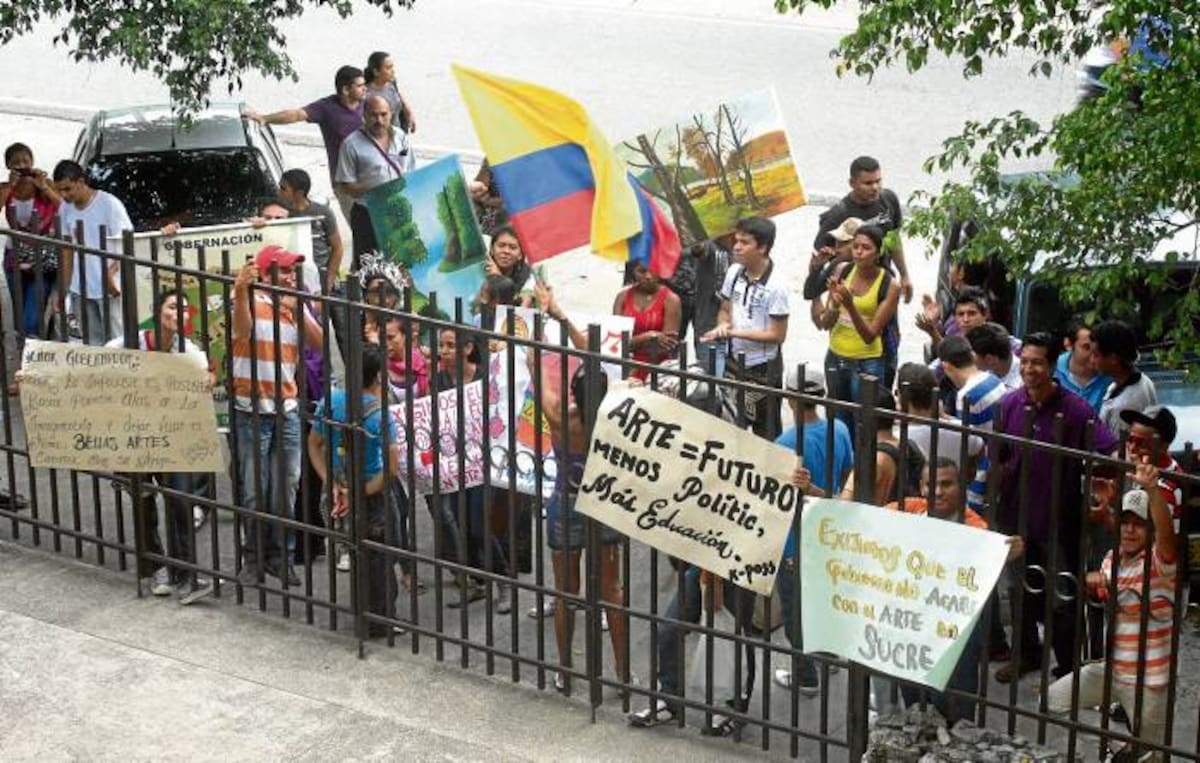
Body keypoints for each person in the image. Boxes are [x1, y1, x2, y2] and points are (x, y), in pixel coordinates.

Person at [989, 332, 1118, 682]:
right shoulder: (1010, 405)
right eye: (1026, 362)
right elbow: (998, 458)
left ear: (1051, 366)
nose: (1030, 369)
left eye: (1038, 363)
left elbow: (1108, 450)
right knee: (1018, 591)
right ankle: (1027, 655)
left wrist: (1103, 490)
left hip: (1060, 520)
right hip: (1016, 514)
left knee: (1062, 595)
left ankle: (1067, 669)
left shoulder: (1075, 410)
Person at [1048, 459, 1177, 762]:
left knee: (1155, 756)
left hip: (1149, 680)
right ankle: (1116, 749)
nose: (1130, 529)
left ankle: (1129, 752)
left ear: (1150, 530)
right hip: (1112, 668)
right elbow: (1107, 587)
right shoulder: (1111, 557)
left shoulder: (1160, 563)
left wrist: (1153, 492)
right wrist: (1094, 583)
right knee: (1051, 702)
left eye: (1139, 524)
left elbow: (1168, 539)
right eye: (1125, 521)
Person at [885, 458, 1025, 723]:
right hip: (909, 631)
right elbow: (855, 519)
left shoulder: (976, 530)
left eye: (946, 484)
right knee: (916, 710)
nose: (937, 491)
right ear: (921, 487)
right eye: (931, 484)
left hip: (953, 640)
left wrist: (1004, 555)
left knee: (954, 715)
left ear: (962, 487)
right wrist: (812, 490)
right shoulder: (909, 510)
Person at [538, 289, 629, 695]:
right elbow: (594, 357)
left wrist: (542, 334)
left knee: (565, 592)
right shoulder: (618, 417)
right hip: (606, 505)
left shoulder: (559, 416)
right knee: (612, 591)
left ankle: (566, 669)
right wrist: (561, 315)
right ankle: (624, 676)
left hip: (566, 505)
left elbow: (534, 363)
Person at [107, 290, 214, 605]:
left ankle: (186, 574)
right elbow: (90, 373)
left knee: (180, 502)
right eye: (171, 307)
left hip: (172, 439)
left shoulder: (189, 351)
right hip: (135, 439)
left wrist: (206, 379)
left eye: (183, 308)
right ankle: (154, 568)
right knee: (144, 505)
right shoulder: (127, 343)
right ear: (157, 312)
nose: (178, 313)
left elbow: (203, 383)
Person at [230, 245, 324, 586]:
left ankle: (281, 557)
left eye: (291, 271)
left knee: (286, 489)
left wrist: (298, 308)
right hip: (251, 412)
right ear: (265, 273)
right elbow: (241, 330)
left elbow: (320, 344)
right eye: (283, 271)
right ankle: (254, 558)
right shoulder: (249, 300)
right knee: (256, 489)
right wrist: (242, 289)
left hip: (286, 410)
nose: (289, 277)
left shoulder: (294, 305)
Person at [308, 347, 401, 638]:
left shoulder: (331, 401)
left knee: (356, 549)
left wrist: (331, 482)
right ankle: (380, 619)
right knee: (381, 553)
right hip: (370, 489)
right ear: (378, 376)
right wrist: (359, 492)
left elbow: (314, 444)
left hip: (340, 484)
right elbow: (393, 470)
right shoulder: (380, 414)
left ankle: (362, 613)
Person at [772, 365, 854, 694]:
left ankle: (805, 675)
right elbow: (849, 472)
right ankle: (829, 652)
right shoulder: (840, 429)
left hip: (796, 539)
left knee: (795, 611)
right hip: (830, 530)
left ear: (790, 398)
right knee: (825, 597)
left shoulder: (786, 442)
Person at [701, 216, 789, 440]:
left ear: (762, 248)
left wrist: (733, 332)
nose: (736, 247)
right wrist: (723, 324)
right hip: (734, 362)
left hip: (763, 367)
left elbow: (778, 335)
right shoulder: (734, 272)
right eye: (736, 240)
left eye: (744, 242)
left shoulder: (776, 286)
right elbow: (725, 308)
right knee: (731, 426)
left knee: (765, 434)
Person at [814, 224, 900, 430]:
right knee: (838, 421)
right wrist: (834, 303)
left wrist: (850, 305)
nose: (859, 252)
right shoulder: (842, 270)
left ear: (878, 253)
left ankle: (861, 463)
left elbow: (870, 335)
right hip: (835, 355)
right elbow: (826, 324)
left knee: (865, 423)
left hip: (867, 362)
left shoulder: (889, 284)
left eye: (866, 248)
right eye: (856, 246)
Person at [247, 65, 366, 196]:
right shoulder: (326, 108)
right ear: (345, 89)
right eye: (360, 86)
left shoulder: (370, 105)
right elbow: (296, 115)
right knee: (359, 216)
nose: (365, 89)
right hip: (346, 182)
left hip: (371, 174)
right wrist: (265, 118)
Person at [52, 160, 132, 346]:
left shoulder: (109, 205)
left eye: (68, 189)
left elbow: (127, 245)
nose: (64, 195)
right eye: (60, 191)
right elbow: (67, 249)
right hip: (80, 288)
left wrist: (112, 275)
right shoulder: (65, 208)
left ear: (81, 182)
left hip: (110, 288)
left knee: (117, 343)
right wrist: (63, 290)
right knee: (93, 345)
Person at [813, 156, 912, 303]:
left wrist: (904, 275)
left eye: (878, 181)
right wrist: (817, 301)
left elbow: (894, 240)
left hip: (884, 285)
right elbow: (818, 259)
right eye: (868, 183)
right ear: (852, 183)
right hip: (850, 292)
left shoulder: (888, 200)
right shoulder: (838, 214)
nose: (875, 187)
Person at [334, 95, 407, 267]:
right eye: (374, 115)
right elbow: (345, 185)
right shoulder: (351, 144)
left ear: (391, 114)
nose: (379, 120)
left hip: (397, 211)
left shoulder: (401, 137)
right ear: (364, 115)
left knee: (400, 263)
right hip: (368, 215)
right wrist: (376, 189)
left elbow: (409, 169)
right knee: (369, 265)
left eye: (383, 115)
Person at [3, 143, 60, 343]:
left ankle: (32, 347)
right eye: (16, 162)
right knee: (19, 313)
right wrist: (10, 186)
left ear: (32, 162)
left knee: (31, 318)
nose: (22, 165)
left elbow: (64, 207)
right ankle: (25, 351)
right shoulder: (6, 188)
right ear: (8, 166)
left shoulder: (44, 185)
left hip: (41, 259)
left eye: (25, 161)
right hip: (14, 259)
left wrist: (43, 186)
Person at [895, 361, 983, 470]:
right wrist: (947, 417)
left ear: (901, 396)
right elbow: (975, 460)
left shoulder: (897, 438)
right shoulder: (965, 431)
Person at [277, 168, 344, 294]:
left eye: (283, 188)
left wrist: (329, 280)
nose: (279, 192)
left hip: (320, 276)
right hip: (292, 279)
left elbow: (338, 247)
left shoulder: (323, 213)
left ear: (299, 193)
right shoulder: (280, 214)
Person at [613, 262, 680, 381]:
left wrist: (630, 344)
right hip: (624, 367)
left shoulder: (671, 300)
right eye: (642, 271)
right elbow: (615, 342)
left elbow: (667, 346)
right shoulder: (622, 297)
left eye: (653, 270)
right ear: (633, 271)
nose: (648, 276)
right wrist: (649, 336)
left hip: (656, 370)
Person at [1092, 319, 1157, 437]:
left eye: (1096, 355)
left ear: (1113, 359)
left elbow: (1115, 449)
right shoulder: (1142, 381)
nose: (1092, 360)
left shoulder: (1123, 407)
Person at [363, 51, 417, 173]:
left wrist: (409, 112)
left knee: (406, 167)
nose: (393, 71)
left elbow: (397, 94)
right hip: (383, 142)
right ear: (376, 72)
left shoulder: (391, 82)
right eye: (388, 68)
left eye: (392, 66)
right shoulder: (368, 95)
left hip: (399, 135)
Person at [689, 239, 731, 377]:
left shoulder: (748, 248)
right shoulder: (710, 245)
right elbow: (698, 249)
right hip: (710, 332)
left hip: (740, 338)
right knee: (714, 388)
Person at [1054, 317, 1111, 413]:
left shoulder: (1111, 375)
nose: (1094, 354)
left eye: (1098, 347)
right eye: (1086, 347)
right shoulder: (1051, 370)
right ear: (1068, 344)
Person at [482, 225, 534, 303]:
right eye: (501, 246)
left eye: (512, 247)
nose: (506, 251)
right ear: (492, 249)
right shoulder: (481, 269)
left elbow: (522, 310)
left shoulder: (527, 278)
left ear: (520, 255)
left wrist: (499, 280)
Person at [966, 322, 1021, 392]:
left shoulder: (1024, 384)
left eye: (971, 355)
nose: (967, 359)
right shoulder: (980, 373)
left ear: (989, 359)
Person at [468, 160, 509, 237]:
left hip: (510, 210)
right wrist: (478, 187)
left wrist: (488, 201)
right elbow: (481, 181)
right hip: (488, 205)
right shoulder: (493, 155)